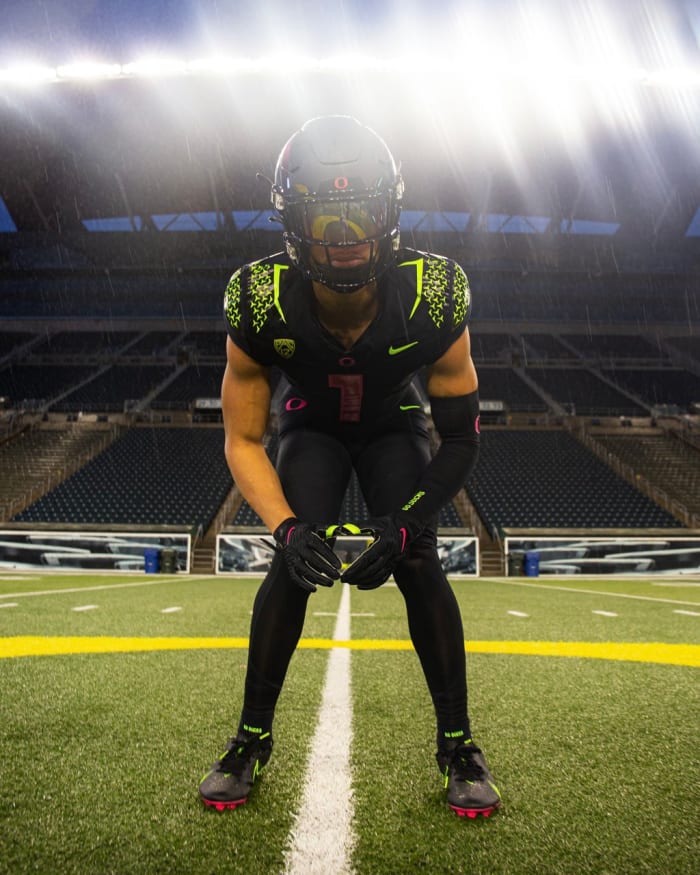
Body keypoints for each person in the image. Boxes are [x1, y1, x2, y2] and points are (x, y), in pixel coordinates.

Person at [199, 115, 501, 818]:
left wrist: (405, 525)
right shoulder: (258, 296)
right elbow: (243, 439)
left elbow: (460, 439)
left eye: (358, 215)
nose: (342, 238)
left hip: (394, 427)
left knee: (420, 559)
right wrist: (282, 527)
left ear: (388, 215)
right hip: (312, 427)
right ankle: (250, 736)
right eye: (323, 218)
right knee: (292, 563)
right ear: (291, 221)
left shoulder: (433, 292)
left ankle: (458, 743)